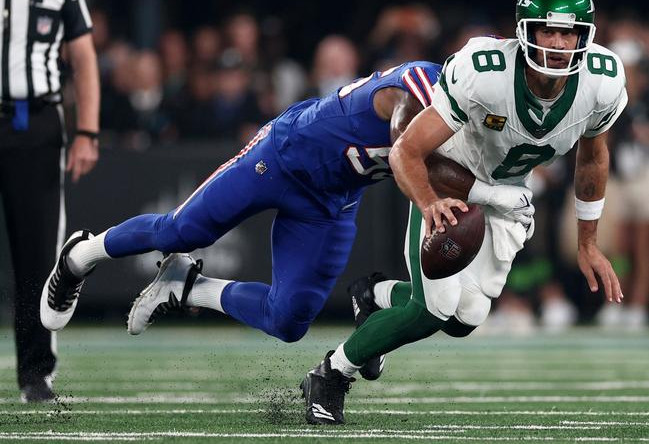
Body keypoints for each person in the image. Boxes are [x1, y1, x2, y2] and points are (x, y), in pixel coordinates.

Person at [300, 0, 628, 425]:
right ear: (524, 31)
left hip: (510, 191)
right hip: (454, 179)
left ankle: (375, 296)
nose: (556, 43)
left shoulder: (602, 83)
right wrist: (429, 201)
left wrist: (587, 241)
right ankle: (331, 374)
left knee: (465, 317)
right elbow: (407, 151)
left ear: (584, 36)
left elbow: (592, 158)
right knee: (431, 307)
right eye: (546, 30)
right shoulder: (485, 71)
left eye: (567, 31)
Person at [40, 58, 532, 349]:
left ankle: (186, 288)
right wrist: (488, 195)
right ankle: (81, 255)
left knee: (290, 320)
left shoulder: (478, 124)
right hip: (281, 158)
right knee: (179, 232)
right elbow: (408, 145)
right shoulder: (423, 84)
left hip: (332, 200)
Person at [0, 0, 99, 402]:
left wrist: (87, 132)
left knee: (37, 251)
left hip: (34, 124)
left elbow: (83, 57)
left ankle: (36, 373)